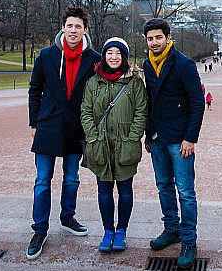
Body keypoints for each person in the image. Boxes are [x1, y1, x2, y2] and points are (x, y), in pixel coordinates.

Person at [26, 7, 100, 260]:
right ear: (63, 28)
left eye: (78, 26)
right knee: (42, 181)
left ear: (84, 30)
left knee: (71, 179)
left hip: (75, 126)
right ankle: (40, 229)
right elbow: (35, 89)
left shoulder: (93, 59)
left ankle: (67, 217)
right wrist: (34, 121)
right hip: (48, 125)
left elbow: (108, 80)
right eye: (70, 26)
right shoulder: (47, 55)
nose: (73, 31)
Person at [142, 18, 205, 270]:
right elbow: (149, 101)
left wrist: (190, 138)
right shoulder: (148, 64)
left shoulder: (184, 64)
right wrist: (149, 133)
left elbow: (197, 103)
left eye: (158, 37)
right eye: (150, 38)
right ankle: (171, 229)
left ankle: (189, 241)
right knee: (163, 187)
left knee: (186, 192)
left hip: (180, 140)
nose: (154, 42)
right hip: (157, 137)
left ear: (168, 38)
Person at [81, 37, 148, 253]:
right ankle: (108, 230)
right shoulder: (93, 82)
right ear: (104, 55)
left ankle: (121, 230)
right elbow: (86, 112)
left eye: (118, 53)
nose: (114, 57)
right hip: (100, 144)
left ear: (124, 56)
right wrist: (93, 137)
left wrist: (132, 137)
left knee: (126, 190)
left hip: (125, 144)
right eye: (110, 53)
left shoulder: (134, 82)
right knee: (104, 190)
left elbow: (141, 112)